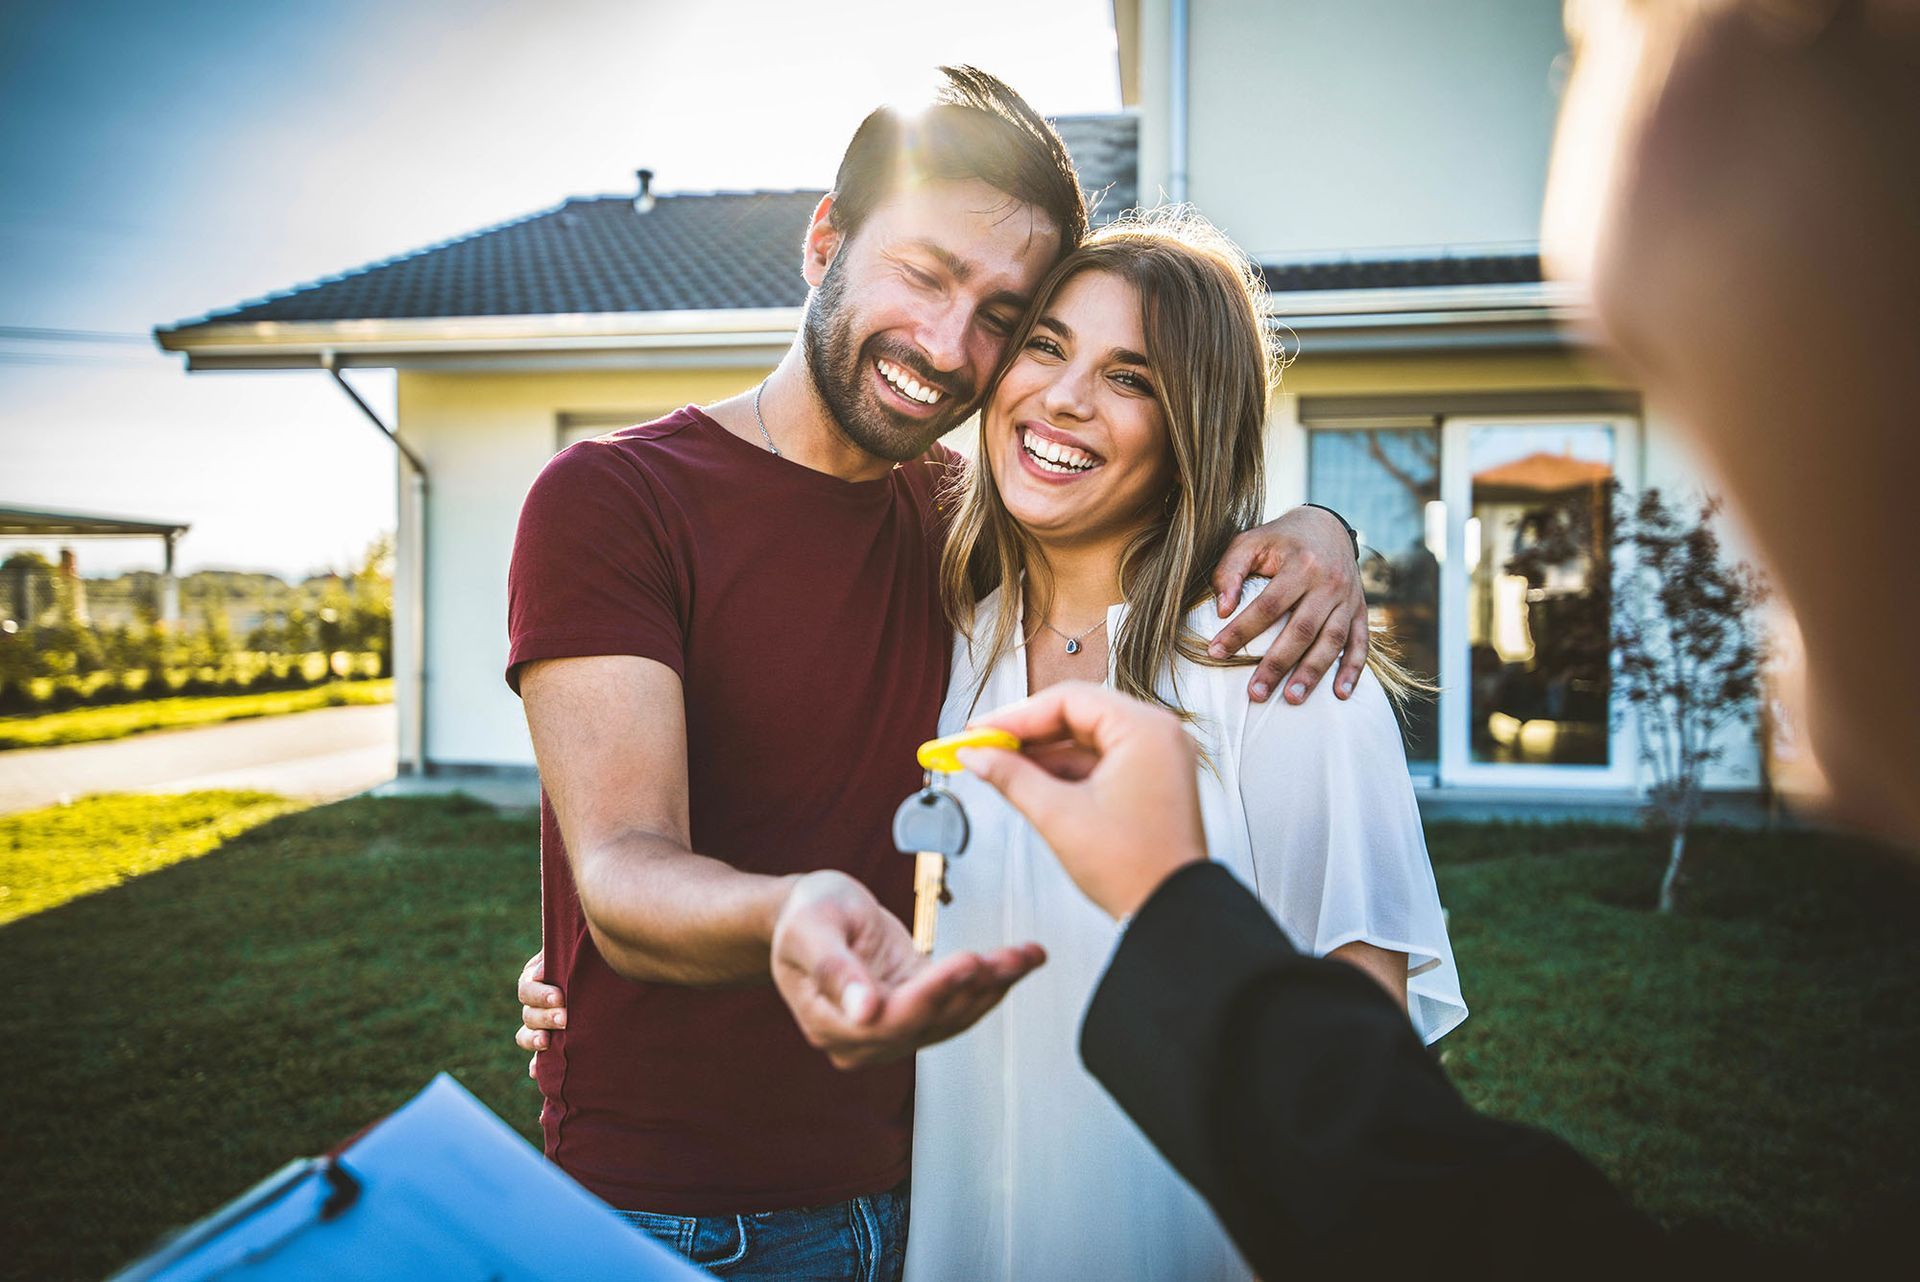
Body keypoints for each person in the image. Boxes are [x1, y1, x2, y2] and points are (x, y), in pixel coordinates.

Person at [506, 67, 1371, 1279]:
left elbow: (1145, 519)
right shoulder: (615, 499)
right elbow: (624, 872)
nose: (950, 347)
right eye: (924, 274)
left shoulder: (972, 530)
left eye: (1003, 315)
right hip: (687, 1211)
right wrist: (780, 910)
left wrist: (1322, 531)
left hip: (935, 1190)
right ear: (824, 243)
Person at [904, 210, 1464, 1280]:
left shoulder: (1275, 672)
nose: (1064, 398)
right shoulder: (946, 647)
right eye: (1048, 345)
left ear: (1192, 429)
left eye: (1133, 378)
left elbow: (1367, 1058)